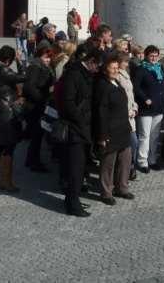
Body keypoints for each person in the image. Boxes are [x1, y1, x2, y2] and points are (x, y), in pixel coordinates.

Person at [59, 46, 102, 217]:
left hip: (84, 127)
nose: (98, 70)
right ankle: (72, 204)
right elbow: (68, 103)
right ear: (91, 62)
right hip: (75, 128)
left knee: (80, 167)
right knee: (75, 169)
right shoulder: (74, 73)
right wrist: (82, 120)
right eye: (98, 66)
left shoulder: (86, 74)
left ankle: (73, 199)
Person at [92, 56, 134, 206]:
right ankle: (106, 192)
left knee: (125, 160)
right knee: (108, 164)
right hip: (110, 131)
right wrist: (102, 135)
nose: (116, 70)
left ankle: (122, 187)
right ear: (105, 69)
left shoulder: (116, 82)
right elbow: (101, 112)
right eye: (113, 68)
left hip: (123, 128)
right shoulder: (102, 86)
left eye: (117, 68)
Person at [0, 46, 26, 192]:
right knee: (9, 144)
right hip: (6, 110)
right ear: (8, 59)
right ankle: (5, 180)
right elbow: (23, 76)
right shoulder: (4, 69)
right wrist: (20, 62)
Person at [133, 45, 164, 173]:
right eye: (151, 55)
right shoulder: (141, 69)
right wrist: (144, 98)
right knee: (144, 135)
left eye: (156, 55)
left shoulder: (161, 68)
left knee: (154, 136)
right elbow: (136, 88)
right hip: (146, 108)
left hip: (158, 107)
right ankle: (142, 161)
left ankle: (152, 160)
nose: (153, 58)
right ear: (146, 56)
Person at [23, 46, 56, 172]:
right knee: (37, 134)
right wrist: (42, 99)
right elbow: (29, 87)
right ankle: (33, 162)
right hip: (35, 106)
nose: (47, 60)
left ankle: (32, 160)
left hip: (40, 104)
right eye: (45, 57)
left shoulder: (43, 66)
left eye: (49, 58)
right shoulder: (35, 67)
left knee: (38, 135)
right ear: (39, 56)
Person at [116, 52, 139, 181]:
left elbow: (131, 95)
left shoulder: (126, 74)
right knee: (132, 143)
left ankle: (130, 167)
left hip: (131, 113)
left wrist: (135, 107)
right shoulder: (117, 76)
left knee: (133, 143)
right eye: (125, 61)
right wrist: (127, 111)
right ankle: (128, 168)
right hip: (124, 115)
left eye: (127, 61)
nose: (127, 63)